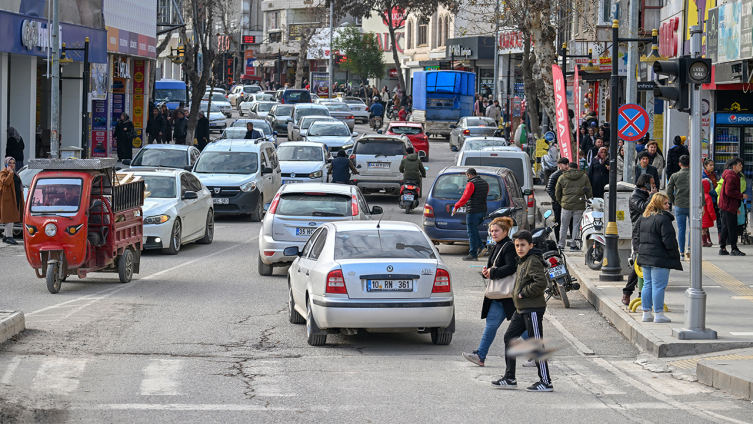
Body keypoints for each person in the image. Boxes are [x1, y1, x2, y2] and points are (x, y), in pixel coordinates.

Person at [463, 217, 529, 366]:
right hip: (499, 295)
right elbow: (494, 266)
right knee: (491, 325)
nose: (493, 233)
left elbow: (512, 267)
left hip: (508, 295)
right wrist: (486, 271)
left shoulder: (509, 246)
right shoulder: (497, 246)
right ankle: (480, 356)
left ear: (505, 231)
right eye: (492, 231)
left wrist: (493, 273)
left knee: (520, 326)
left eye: (497, 230)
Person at [492, 230, 553, 392]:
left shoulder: (532, 260)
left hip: (532, 308)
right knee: (509, 337)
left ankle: (546, 382)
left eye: (523, 245)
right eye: (517, 245)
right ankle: (510, 378)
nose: (519, 248)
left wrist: (523, 293)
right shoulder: (522, 260)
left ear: (530, 245)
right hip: (522, 309)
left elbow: (541, 283)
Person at [634, 192, 682, 323]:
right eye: (665, 203)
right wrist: (673, 254)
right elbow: (669, 240)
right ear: (658, 204)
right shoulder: (663, 219)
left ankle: (646, 313)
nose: (668, 206)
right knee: (659, 286)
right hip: (660, 257)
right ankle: (659, 314)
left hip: (645, 256)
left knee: (647, 285)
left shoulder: (644, 217)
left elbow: (636, 236)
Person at [622, 174, 657, 305]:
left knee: (649, 264)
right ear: (645, 183)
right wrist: (652, 196)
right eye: (651, 183)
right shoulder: (635, 196)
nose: (653, 185)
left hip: (651, 232)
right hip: (639, 233)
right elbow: (643, 209)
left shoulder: (648, 194)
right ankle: (627, 292)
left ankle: (644, 294)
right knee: (639, 263)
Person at [452, 168, 489, 261]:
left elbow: (465, 197)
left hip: (473, 211)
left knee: (471, 233)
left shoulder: (471, 183)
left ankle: (473, 254)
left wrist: (456, 206)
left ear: (469, 175)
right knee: (474, 230)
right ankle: (481, 246)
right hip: (483, 211)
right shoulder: (485, 183)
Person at [556, 161, 592, 250]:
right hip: (579, 205)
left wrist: (562, 202)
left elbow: (557, 192)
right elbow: (589, 191)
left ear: (569, 167)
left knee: (563, 226)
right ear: (577, 167)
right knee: (576, 225)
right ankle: (573, 244)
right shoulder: (584, 177)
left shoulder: (562, 177)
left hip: (566, 205)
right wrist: (589, 200)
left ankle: (561, 245)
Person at [719, 157, 748, 256]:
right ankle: (734, 248)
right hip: (729, 205)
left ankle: (722, 248)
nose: (742, 166)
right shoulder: (732, 176)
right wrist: (741, 195)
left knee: (725, 227)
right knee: (732, 227)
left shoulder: (729, 174)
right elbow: (729, 191)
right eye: (740, 165)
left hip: (726, 205)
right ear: (734, 166)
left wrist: (736, 207)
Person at [667, 154, 690, 260]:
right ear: (689, 164)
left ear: (680, 164)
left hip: (679, 204)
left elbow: (669, 190)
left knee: (681, 229)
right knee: (693, 228)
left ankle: (681, 253)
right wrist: (702, 204)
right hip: (692, 205)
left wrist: (672, 201)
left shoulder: (674, 176)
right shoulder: (694, 175)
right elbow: (701, 190)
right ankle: (689, 248)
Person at [546, 158, 570, 243]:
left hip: (568, 202)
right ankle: (558, 240)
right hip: (558, 203)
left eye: (568, 164)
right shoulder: (555, 175)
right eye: (565, 164)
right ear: (560, 165)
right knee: (558, 222)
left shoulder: (569, 174)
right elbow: (549, 189)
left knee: (570, 221)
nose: (567, 166)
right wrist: (557, 199)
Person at [0, 157, 23, 245]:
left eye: (13, 163)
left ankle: (6, 236)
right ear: (6, 164)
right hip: (7, 199)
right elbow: (6, 182)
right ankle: (9, 237)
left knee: (12, 216)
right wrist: (10, 173)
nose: (12, 165)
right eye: (10, 163)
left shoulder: (15, 173)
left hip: (15, 197)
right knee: (9, 217)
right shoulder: (3, 173)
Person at [703, 158, 721, 243]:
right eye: (710, 165)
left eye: (713, 165)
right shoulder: (703, 175)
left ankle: (720, 238)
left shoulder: (715, 174)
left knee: (718, 218)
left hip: (715, 199)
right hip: (708, 198)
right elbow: (708, 189)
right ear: (705, 166)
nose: (712, 167)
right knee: (707, 219)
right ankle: (707, 238)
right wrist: (718, 193)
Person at [702, 179, 717, 247]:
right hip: (706, 216)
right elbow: (710, 208)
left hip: (700, 215)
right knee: (704, 230)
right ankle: (704, 242)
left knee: (702, 229)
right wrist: (713, 217)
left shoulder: (697, 195)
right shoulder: (708, 196)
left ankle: (704, 241)